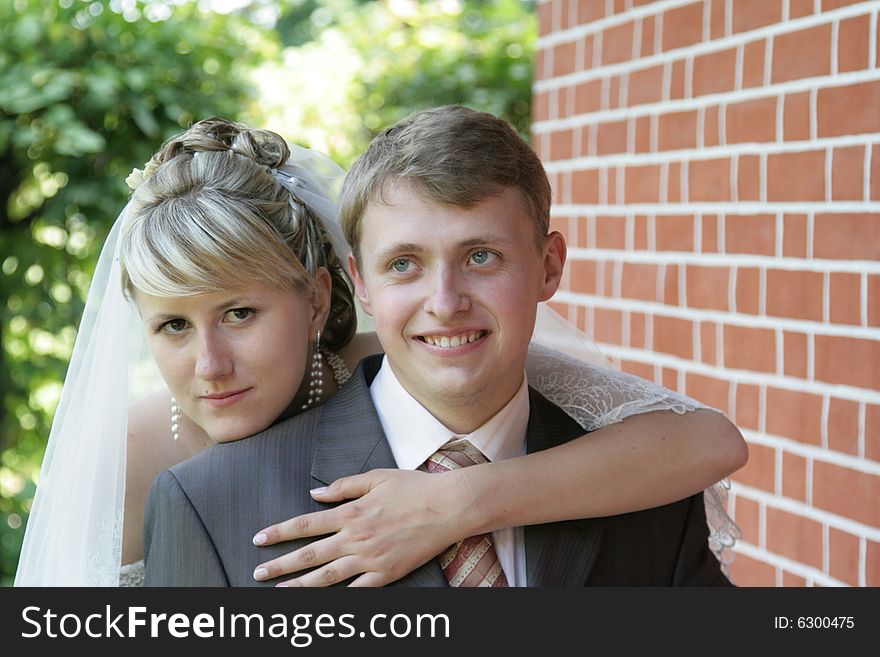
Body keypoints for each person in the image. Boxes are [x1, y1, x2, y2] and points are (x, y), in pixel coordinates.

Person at [141, 108, 738, 586]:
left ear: (548, 266)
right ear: (362, 283)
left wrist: (457, 502)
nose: (446, 302)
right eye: (404, 264)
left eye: (481, 257)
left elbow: (712, 438)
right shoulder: (205, 504)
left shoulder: (644, 486)